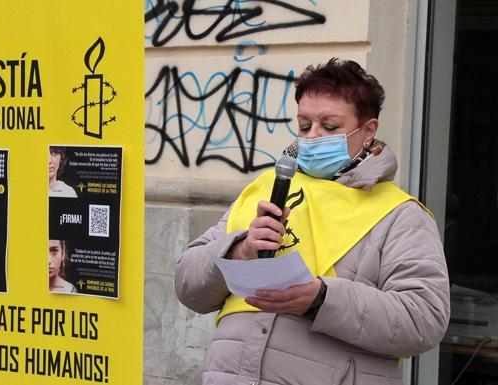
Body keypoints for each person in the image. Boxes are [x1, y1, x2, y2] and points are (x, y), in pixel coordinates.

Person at [174, 58, 450, 385]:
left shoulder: (400, 215)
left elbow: (423, 320)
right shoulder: (264, 189)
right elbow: (187, 286)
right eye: (304, 126)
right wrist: (238, 251)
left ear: (369, 131)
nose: (313, 137)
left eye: (329, 127)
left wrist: (321, 299)